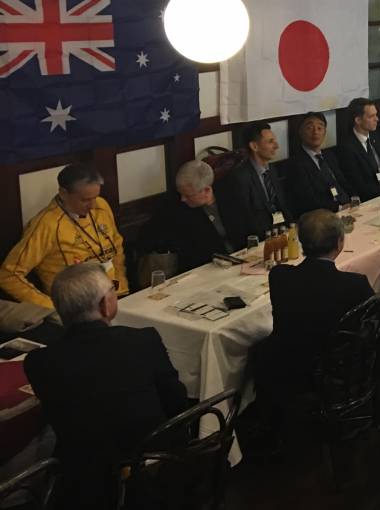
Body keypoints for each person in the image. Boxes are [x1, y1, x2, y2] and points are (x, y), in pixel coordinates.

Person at [24, 262, 187, 509]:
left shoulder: (38, 362)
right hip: (151, 462)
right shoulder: (143, 340)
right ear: (105, 305)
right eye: (113, 289)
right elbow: (176, 401)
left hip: (80, 476)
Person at [253, 210, 374, 433]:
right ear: (340, 243)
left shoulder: (279, 276)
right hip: (338, 366)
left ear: (300, 242)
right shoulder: (355, 283)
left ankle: (265, 422)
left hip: (290, 360)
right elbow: (373, 320)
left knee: (259, 348)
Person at [0, 163, 128, 309]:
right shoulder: (47, 224)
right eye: (85, 200)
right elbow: (8, 275)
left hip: (112, 298)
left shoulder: (101, 206)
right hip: (76, 308)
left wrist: (120, 290)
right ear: (63, 193)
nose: (92, 205)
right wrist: (52, 308)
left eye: (95, 197)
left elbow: (116, 247)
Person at [140, 160, 240, 274]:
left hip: (235, 261)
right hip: (202, 270)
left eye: (188, 195)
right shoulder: (176, 209)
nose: (183, 199)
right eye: (181, 193)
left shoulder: (229, 196)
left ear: (207, 190)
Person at [215, 122, 290, 247]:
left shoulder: (271, 169)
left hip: (278, 232)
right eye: (270, 142)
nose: (276, 146)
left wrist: (291, 228)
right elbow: (244, 220)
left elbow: (281, 205)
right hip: (258, 240)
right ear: (254, 146)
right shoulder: (239, 178)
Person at [284, 112, 353, 216]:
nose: (315, 132)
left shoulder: (329, 155)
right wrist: (339, 208)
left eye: (320, 128)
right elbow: (308, 200)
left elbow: (343, 182)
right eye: (309, 128)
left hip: (346, 208)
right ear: (300, 132)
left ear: (325, 132)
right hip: (322, 216)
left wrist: (354, 198)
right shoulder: (295, 164)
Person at [338, 97, 380, 201]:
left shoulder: (375, 137)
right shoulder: (347, 147)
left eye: (376, 115)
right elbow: (358, 184)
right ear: (358, 120)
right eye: (371, 116)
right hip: (368, 198)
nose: (377, 119)